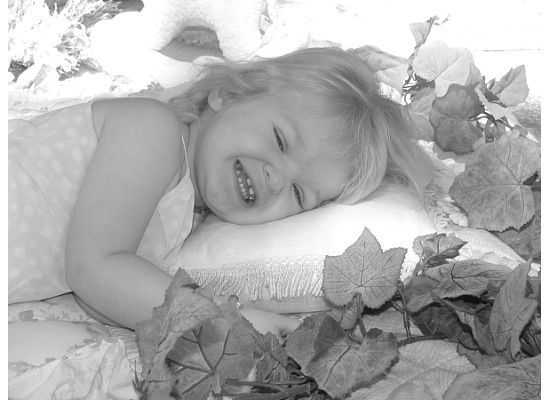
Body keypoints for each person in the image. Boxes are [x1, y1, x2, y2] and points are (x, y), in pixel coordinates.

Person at [8, 47, 433, 332]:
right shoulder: (152, 131)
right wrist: (232, 320)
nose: (276, 178)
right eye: (280, 141)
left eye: (299, 193)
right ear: (227, 95)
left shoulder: (184, 218)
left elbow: (103, 299)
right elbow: (93, 271)